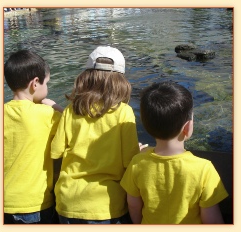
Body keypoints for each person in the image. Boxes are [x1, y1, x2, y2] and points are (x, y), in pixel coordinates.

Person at [51, 45, 140, 224]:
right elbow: (129, 161)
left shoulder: (71, 110)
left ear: (86, 76)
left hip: (69, 201)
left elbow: (55, 151)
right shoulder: (124, 112)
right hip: (107, 205)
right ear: (120, 79)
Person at [120, 81, 229, 224]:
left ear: (147, 125)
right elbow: (212, 220)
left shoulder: (137, 163)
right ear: (188, 127)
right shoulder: (204, 169)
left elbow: (133, 205)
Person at [4, 50, 63, 224]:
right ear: (35, 83)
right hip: (34, 205)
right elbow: (74, 125)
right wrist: (55, 106)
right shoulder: (46, 114)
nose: (47, 88)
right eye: (47, 83)